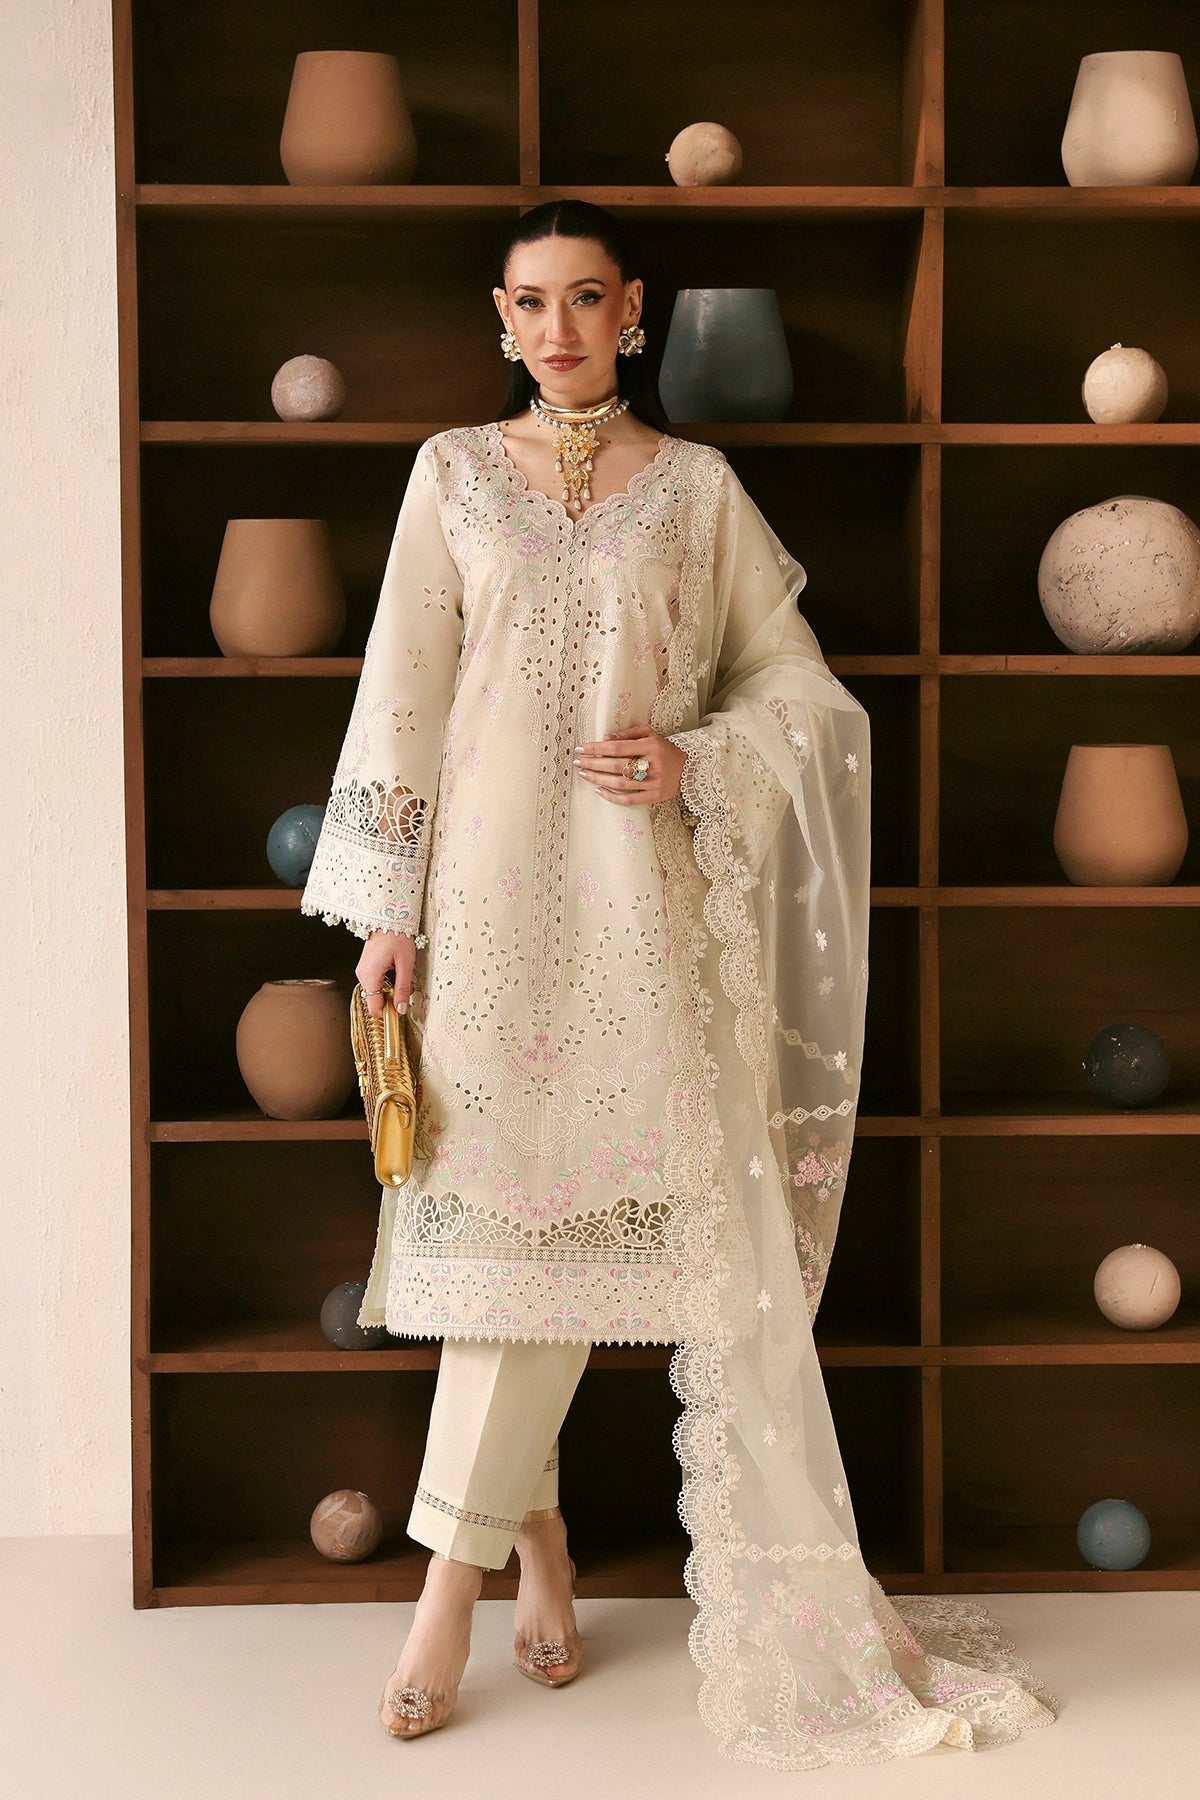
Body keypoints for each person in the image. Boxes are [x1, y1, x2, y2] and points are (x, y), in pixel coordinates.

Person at [300, 199, 1058, 1765]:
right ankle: (524, 1554)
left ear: (633, 308)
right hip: (485, 912)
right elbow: (403, 692)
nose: (560, 329)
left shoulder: (701, 492)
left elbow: (805, 693)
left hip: (650, 925)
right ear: (497, 316)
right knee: (510, 1236)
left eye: (588, 298)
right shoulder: (447, 476)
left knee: (567, 1225)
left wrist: (696, 754)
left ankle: (453, 1581)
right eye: (531, 302)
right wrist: (385, 908)